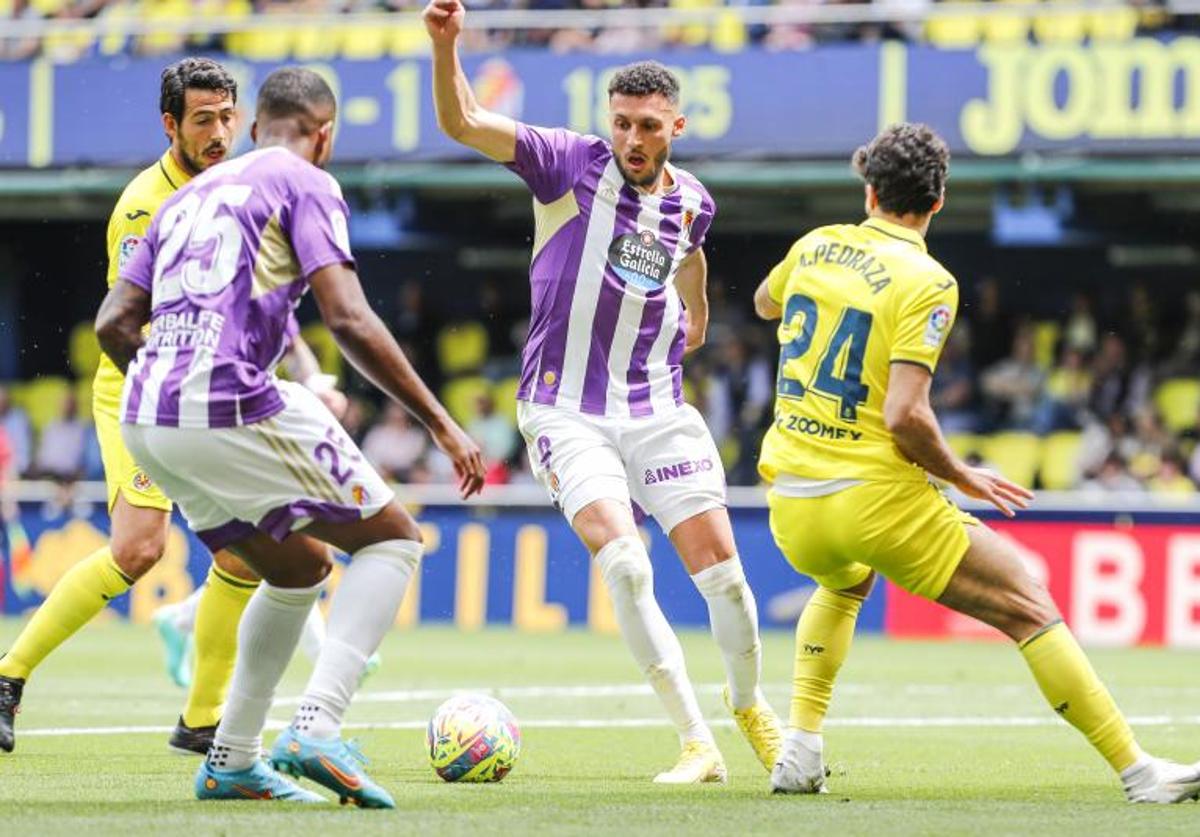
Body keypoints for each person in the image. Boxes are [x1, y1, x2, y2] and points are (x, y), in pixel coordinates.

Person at [753, 122, 1200, 803]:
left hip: (790, 495)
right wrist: (962, 474)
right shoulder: (928, 279)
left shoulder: (815, 245)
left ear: (868, 189)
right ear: (937, 201)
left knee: (843, 583)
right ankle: (1141, 772)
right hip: (871, 498)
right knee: (1026, 599)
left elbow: (765, 303)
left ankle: (801, 749)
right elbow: (905, 414)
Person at [95, 66, 485, 806]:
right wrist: (441, 422)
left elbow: (111, 323)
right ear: (324, 133)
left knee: (298, 571)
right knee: (394, 539)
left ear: (248, 126)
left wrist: (167, 382)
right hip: (227, 399)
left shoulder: (185, 199)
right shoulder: (307, 181)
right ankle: (316, 725)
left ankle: (232, 758)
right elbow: (348, 318)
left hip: (147, 418)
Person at [425, 0, 782, 784]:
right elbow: (464, 122)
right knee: (624, 561)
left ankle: (750, 704)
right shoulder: (564, 162)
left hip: (657, 405)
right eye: (621, 122)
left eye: (648, 126)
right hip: (564, 406)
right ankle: (697, 742)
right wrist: (445, 45)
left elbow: (689, 251)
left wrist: (699, 304)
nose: (631, 139)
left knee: (724, 574)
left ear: (675, 129)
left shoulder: (693, 199)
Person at [0, 58, 348, 757]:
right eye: (202, 120)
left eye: (227, 117)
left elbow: (264, 300)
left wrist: (304, 370)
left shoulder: (250, 183)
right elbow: (133, 324)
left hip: (212, 386)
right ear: (170, 125)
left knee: (249, 554)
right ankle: (8, 676)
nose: (220, 133)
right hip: (143, 382)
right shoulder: (142, 205)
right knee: (139, 548)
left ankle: (201, 720)